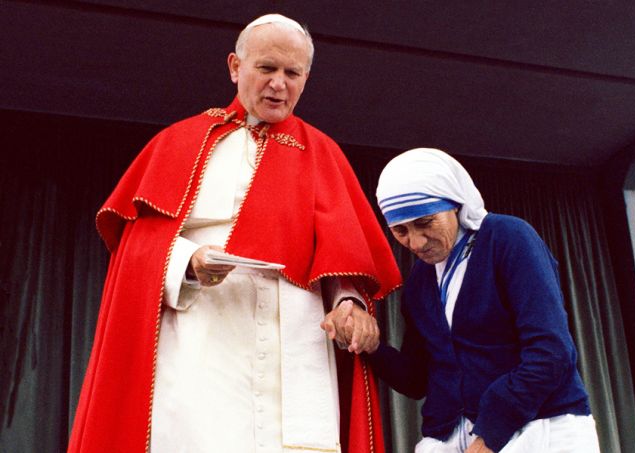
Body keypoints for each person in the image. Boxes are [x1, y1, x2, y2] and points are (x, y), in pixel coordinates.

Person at [67, 14, 401, 453]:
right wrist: (189, 262)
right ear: (234, 67)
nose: (279, 84)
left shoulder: (322, 153)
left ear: (306, 78)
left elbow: (342, 257)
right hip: (201, 339)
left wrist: (349, 304)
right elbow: (137, 247)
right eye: (267, 68)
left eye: (292, 73)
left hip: (295, 346)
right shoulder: (179, 142)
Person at [367, 148, 600, 453]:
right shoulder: (419, 283)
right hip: (452, 435)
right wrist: (372, 347)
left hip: (539, 426)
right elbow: (417, 380)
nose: (416, 242)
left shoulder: (508, 238)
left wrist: (490, 435)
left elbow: (551, 351)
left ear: (454, 203)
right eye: (400, 231)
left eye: (425, 222)